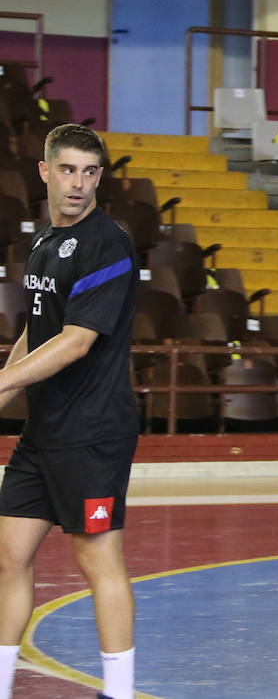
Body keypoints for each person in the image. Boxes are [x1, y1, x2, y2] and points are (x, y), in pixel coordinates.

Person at [0, 124, 139, 699]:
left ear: (99, 178)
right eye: (67, 170)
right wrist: (4, 390)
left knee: (96, 558)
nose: (78, 183)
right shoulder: (41, 242)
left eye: (89, 172)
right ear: (45, 172)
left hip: (93, 433)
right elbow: (36, 332)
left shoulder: (109, 243)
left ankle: (120, 692)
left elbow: (76, 340)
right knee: (10, 555)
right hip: (45, 431)